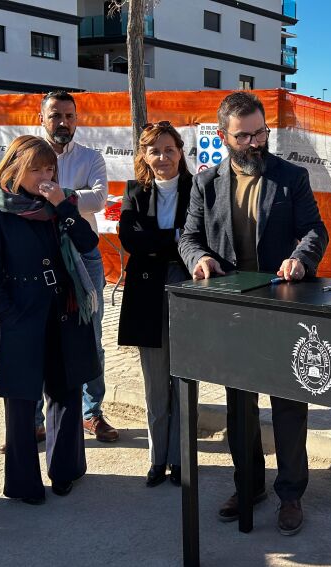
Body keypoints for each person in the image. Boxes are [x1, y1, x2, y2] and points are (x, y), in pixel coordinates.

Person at [178, 91, 328, 536]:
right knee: (239, 407)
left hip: (282, 310)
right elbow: (188, 237)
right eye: (243, 136)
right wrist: (199, 259)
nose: (255, 142)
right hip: (233, 315)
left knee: (288, 406)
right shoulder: (206, 183)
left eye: (260, 132)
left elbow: (314, 230)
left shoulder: (291, 177)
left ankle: (291, 493)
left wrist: (301, 258)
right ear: (223, 136)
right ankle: (248, 485)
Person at [0, 135, 101, 505]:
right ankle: (22, 483)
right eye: (36, 169)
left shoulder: (59, 205)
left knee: (66, 391)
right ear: (15, 168)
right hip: (21, 314)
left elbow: (88, 244)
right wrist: (7, 316)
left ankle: (65, 470)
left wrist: (63, 205)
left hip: (64, 309)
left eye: (50, 169)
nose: (45, 177)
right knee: (21, 400)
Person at [38, 90, 118, 443]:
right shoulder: (28, 153)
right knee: (38, 336)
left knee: (91, 335)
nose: (63, 122)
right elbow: (17, 194)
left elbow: (99, 199)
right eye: (56, 115)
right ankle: (35, 419)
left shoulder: (90, 157)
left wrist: (55, 194)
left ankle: (92, 412)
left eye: (69, 116)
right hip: (40, 255)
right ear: (42, 118)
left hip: (84, 256)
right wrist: (73, 195)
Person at [117, 122, 193, 487]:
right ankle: (156, 459)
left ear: (180, 152)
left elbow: (198, 238)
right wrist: (174, 238)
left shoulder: (198, 189)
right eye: (154, 151)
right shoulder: (133, 191)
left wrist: (155, 241)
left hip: (186, 288)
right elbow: (130, 239)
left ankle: (179, 459)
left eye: (169, 149)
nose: (162, 157)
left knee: (183, 378)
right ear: (144, 156)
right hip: (146, 293)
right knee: (155, 382)